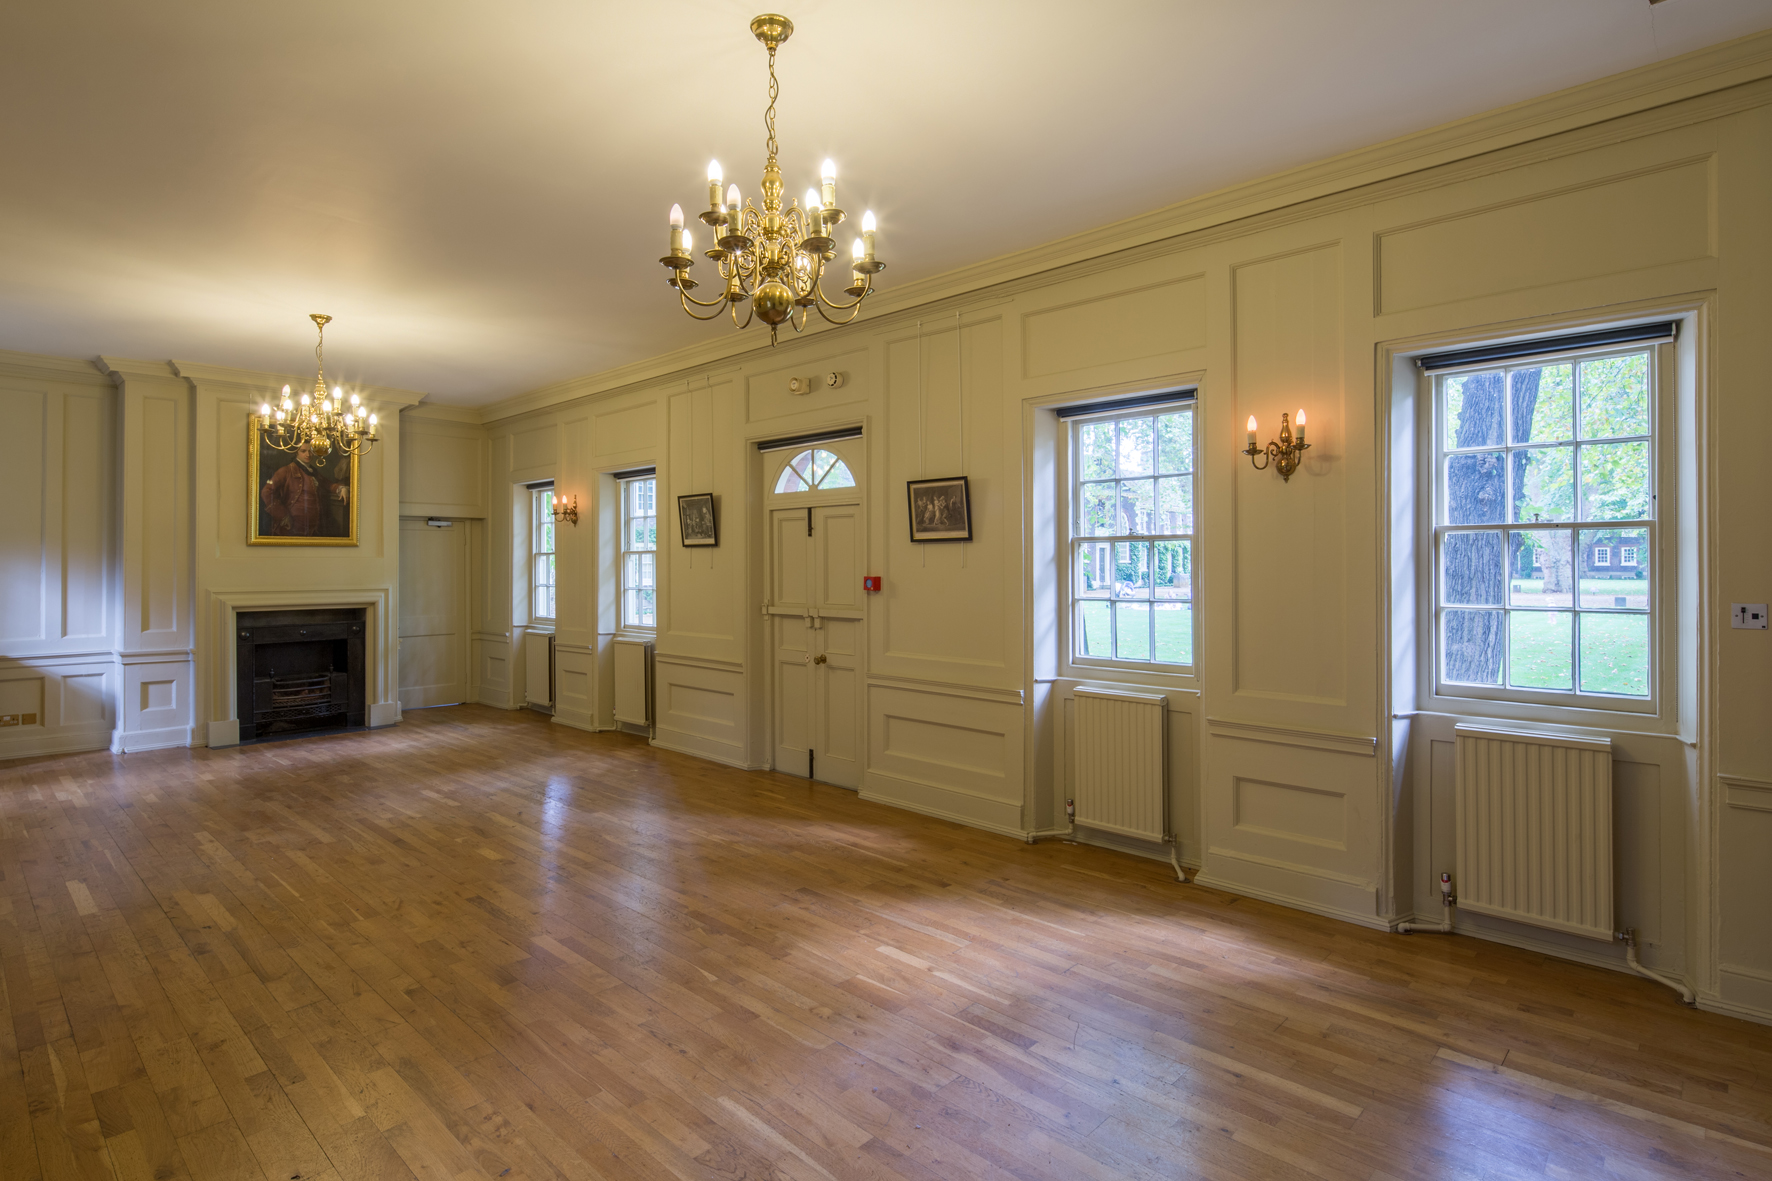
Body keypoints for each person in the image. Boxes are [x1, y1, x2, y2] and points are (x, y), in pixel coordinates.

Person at [261, 441, 348, 536]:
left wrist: (341, 488)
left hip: (314, 527)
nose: (308, 454)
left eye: (310, 451)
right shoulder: (286, 471)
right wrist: (283, 515)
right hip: (293, 526)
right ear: (296, 452)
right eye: (303, 451)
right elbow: (266, 491)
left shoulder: (313, 471)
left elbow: (328, 484)